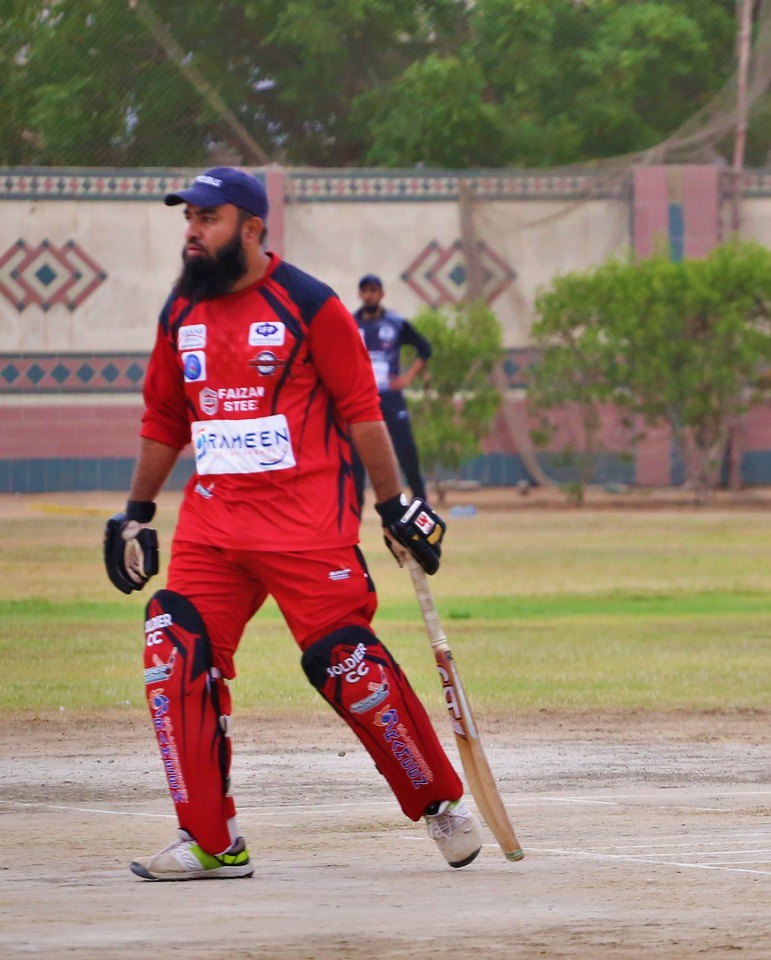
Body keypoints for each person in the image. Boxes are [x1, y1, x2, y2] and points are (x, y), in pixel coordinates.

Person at [101, 165, 484, 881]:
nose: (192, 232)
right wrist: (136, 514)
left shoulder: (310, 304)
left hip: (308, 528)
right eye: (188, 219)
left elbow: (362, 409)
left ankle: (440, 803)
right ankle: (213, 842)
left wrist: (394, 505)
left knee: (349, 666)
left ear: (251, 228)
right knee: (172, 647)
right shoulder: (180, 311)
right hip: (213, 530)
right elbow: (164, 418)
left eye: (207, 219)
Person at [352, 274, 431, 506]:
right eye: (365, 291)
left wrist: (407, 378)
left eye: (373, 291)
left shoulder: (395, 323)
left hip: (390, 398)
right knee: (356, 455)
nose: (369, 295)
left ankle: (421, 502)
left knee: (406, 450)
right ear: (360, 294)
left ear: (381, 294)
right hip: (362, 399)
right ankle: (355, 507)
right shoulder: (351, 323)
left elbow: (424, 348)